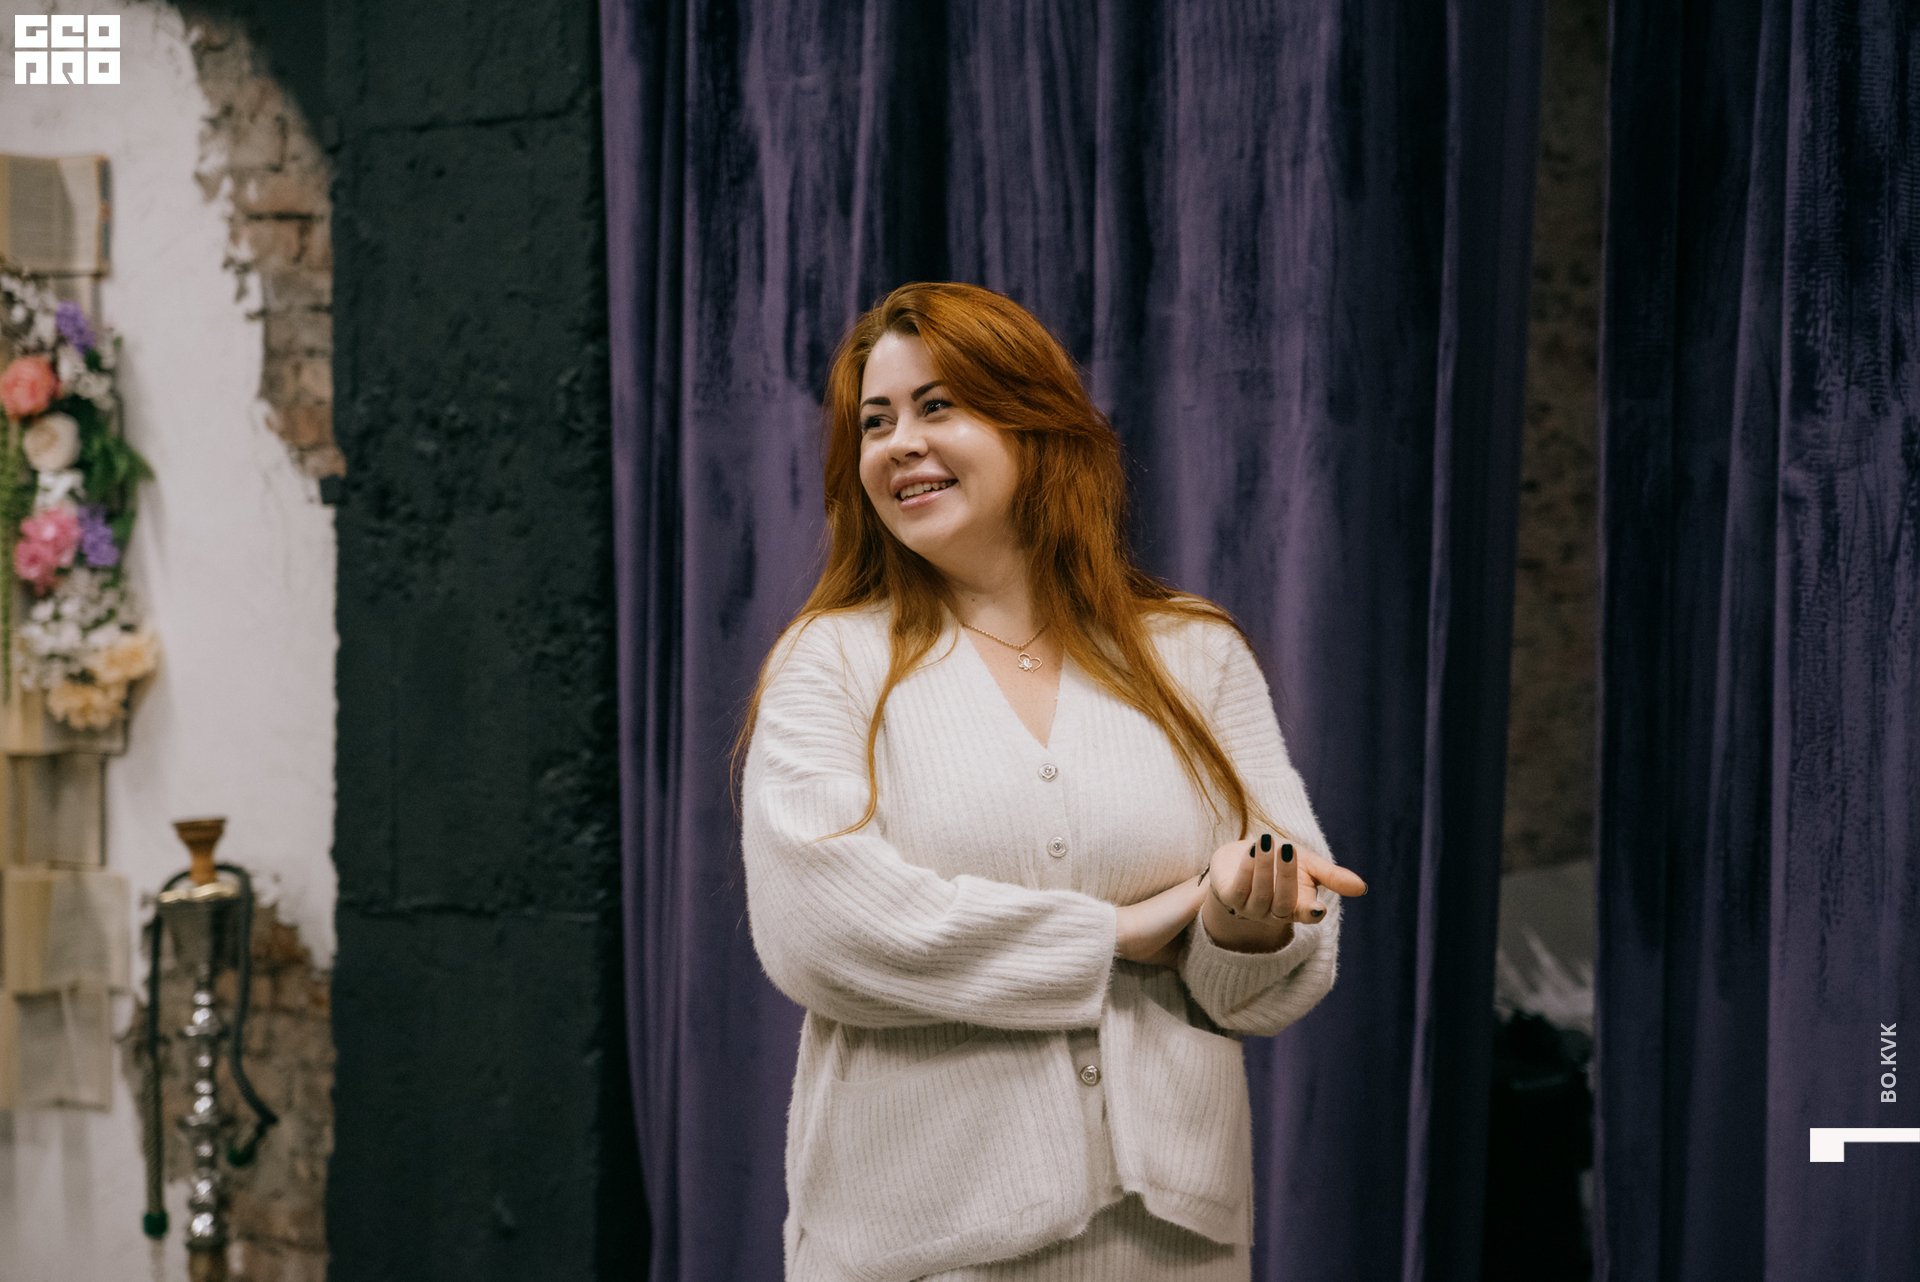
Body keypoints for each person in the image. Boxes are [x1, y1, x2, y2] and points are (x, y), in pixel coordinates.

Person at [738, 281, 1368, 1281]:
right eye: (876, 421)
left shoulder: (1194, 654)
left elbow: (1280, 941)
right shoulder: (831, 660)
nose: (900, 443)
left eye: (938, 406)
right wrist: (1117, 932)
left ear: (1036, 425)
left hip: (1174, 1244)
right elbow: (819, 930)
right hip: (921, 1248)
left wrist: (1239, 921)